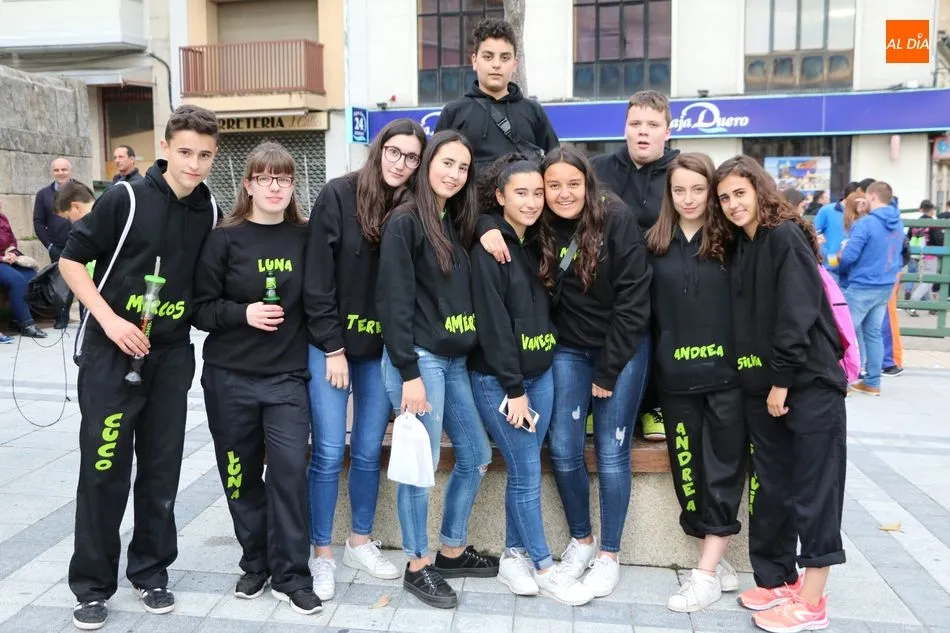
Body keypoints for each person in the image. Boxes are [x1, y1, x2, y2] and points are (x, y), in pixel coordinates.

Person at [58, 104, 221, 631]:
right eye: (186, 152)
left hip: (170, 357)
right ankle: (91, 586)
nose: (194, 164)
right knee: (104, 469)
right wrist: (109, 321)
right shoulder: (124, 199)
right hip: (112, 354)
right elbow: (70, 261)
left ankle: (150, 572)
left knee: (160, 470)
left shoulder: (209, 210)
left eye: (205, 155)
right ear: (165, 148)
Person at [710, 155, 847, 633]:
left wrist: (783, 379)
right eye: (724, 198)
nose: (732, 204)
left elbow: (797, 311)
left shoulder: (785, 236)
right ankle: (779, 580)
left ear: (759, 191)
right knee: (773, 487)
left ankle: (813, 601)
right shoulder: (741, 245)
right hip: (762, 387)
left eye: (740, 193)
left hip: (806, 383)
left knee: (815, 490)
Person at [192, 141, 321, 615]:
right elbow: (199, 309)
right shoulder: (224, 238)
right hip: (229, 379)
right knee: (239, 474)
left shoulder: (306, 236)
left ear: (293, 185)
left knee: (288, 473)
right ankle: (255, 562)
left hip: (286, 379)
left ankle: (293, 575)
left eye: (283, 179)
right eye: (264, 178)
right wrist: (242, 313)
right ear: (248, 184)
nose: (274, 187)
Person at [304, 118, 426, 600]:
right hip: (331, 346)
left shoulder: (413, 207)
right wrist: (332, 346)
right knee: (329, 448)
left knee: (370, 448)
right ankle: (321, 552)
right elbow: (317, 279)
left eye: (412, 157)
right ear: (379, 150)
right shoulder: (339, 194)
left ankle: (359, 540)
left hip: (379, 352)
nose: (401, 163)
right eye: (394, 152)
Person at [376, 130, 498, 609]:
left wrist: (486, 226)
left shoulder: (454, 221)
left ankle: (450, 550)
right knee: (418, 465)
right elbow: (393, 302)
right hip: (419, 361)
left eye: (463, 167)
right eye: (447, 163)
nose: (454, 173)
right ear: (427, 164)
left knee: (477, 454)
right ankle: (416, 564)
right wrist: (408, 373)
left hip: (454, 361)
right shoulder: (405, 221)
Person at [468, 154, 594, 606]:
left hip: (541, 374)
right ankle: (544, 566)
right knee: (525, 472)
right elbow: (494, 325)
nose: (532, 201)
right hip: (502, 382)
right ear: (499, 196)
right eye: (521, 193)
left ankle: (513, 555)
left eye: (537, 193)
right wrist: (514, 389)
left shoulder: (535, 240)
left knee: (525, 469)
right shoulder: (491, 248)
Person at [539, 146, 651, 598]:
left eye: (573, 184)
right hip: (568, 348)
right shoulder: (541, 220)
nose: (564, 194)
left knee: (611, 450)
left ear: (588, 183)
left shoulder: (615, 218)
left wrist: (607, 371)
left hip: (620, 349)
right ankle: (582, 541)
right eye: (553, 185)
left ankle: (609, 555)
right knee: (564, 447)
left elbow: (635, 300)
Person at [644, 153, 744, 612]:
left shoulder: (732, 242)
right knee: (688, 476)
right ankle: (715, 561)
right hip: (675, 382)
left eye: (698, 189)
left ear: (712, 192)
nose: (688, 198)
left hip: (726, 381)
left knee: (723, 472)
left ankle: (704, 575)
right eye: (679, 189)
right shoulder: (654, 243)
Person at [592, 89, 680, 442]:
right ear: (625, 127)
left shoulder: (680, 172)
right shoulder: (598, 169)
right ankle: (594, 405)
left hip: (664, 281)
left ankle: (654, 407)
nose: (643, 131)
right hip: (608, 282)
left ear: (668, 131)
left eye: (653, 125)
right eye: (636, 123)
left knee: (663, 338)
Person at [434, 18, 558, 171]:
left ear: (515, 64)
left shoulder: (534, 112)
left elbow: (555, 165)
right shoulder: (454, 113)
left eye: (505, 58)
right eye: (488, 57)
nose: (496, 64)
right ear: (474, 61)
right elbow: (435, 167)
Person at [838, 182, 904, 396]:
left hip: (862, 284)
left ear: (873, 196)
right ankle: (872, 381)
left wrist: (840, 261)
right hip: (885, 284)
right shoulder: (897, 222)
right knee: (873, 334)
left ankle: (841, 380)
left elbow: (849, 256)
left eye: (866, 197)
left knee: (843, 333)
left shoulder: (865, 223)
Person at [33, 156, 75, 328]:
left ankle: (85, 317)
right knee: (59, 283)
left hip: (79, 243)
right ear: (52, 172)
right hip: (56, 246)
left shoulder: (80, 191)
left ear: (70, 171)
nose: (60, 173)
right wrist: (49, 245)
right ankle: (61, 316)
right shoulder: (43, 194)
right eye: (56, 170)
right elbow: (38, 222)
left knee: (83, 279)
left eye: (64, 169)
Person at [0, 200, 47, 339]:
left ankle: (17, 320)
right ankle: (27, 324)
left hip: (7, 259)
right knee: (17, 280)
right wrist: (2, 258)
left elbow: (12, 241)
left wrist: (12, 252)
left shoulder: (2, 218)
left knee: (32, 275)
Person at [813, 181, 859, 282]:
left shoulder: (861, 213)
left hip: (852, 270)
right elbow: (815, 234)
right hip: (831, 268)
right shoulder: (827, 210)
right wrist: (827, 255)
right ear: (850, 196)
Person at [906, 199, 942, 316]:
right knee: (929, 280)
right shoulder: (933, 224)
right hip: (930, 254)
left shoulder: (916, 222)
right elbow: (939, 239)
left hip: (917, 254)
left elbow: (908, 237)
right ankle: (912, 303)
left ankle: (931, 306)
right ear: (931, 210)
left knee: (927, 279)